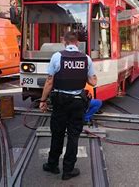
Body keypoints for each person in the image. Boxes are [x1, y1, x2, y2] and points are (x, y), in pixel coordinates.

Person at [40, 31, 97, 181]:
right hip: (78, 102)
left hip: (60, 102)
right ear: (77, 43)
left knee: (57, 134)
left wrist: (43, 100)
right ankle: (68, 170)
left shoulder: (57, 57)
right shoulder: (86, 58)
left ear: (64, 42)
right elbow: (93, 82)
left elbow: (49, 81)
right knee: (73, 136)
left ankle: (52, 165)